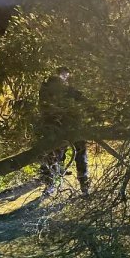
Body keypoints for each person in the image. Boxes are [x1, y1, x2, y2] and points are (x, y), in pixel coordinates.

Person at [38, 66, 89, 195]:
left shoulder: (58, 89)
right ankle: (82, 185)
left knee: (58, 154)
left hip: (67, 126)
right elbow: (84, 102)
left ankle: (81, 184)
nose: (64, 76)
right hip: (60, 126)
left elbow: (83, 102)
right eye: (63, 73)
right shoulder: (51, 89)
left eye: (66, 73)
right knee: (71, 153)